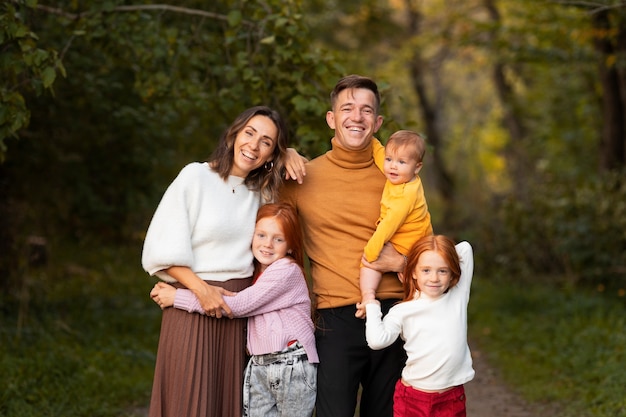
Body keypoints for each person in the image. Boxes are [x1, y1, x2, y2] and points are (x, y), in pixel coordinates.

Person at [141, 105, 305, 417]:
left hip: (239, 311)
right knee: (187, 402)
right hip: (191, 304)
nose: (253, 146)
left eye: (266, 142)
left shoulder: (262, 194)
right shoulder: (195, 177)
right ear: (233, 134)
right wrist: (201, 291)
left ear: (271, 155)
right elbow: (161, 252)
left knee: (227, 405)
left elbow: (297, 194)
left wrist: (292, 153)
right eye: (249, 133)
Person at [279, 74, 408, 417]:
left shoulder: (398, 178)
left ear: (378, 122)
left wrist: (402, 263)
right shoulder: (301, 177)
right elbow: (264, 230)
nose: (357, 116)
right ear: (331, 118)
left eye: (366, 110)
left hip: (395, 313)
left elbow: (428, 252)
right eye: (347, 108)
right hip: (335, 318)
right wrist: (282, 153)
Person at [149, 202, 318, 417]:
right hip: (260, 365)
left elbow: (237, 305)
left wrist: (177, 297)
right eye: (261, 235)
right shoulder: (259, 273)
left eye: (278, 239)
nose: (268, 244)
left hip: (289, 364)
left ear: (291, 246)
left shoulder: (286, 271)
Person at [364, 235, 475, 417]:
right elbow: (377, 341)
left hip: (451, 399)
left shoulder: (457, 296)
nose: (434, 278)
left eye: (443, 271)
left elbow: (465, 248)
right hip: (413, 400)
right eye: (426, 270)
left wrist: (437, 248)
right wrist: (371, 304)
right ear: (413, 272)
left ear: (452, 273)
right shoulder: (403, 310)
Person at [356, 130, 433, 319]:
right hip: (404, 238)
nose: (392, 167)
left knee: (371, 264)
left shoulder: (406, 195)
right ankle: (368, 298)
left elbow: (388, 226)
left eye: (401, 162)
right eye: (390, 159)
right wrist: (371, 140)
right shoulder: (397, 174)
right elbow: (380, 152)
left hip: (411, 243)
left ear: (417, 167)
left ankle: (423, 309)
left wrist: (372, 250)